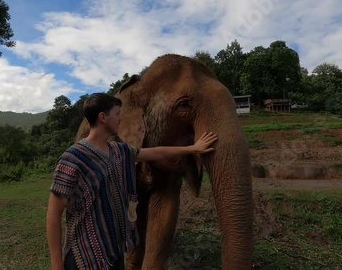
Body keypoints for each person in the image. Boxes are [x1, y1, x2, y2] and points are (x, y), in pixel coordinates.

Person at [46, 93, 217, 270]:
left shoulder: (119, 150)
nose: (121, 118)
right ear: (103, 117)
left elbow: (155, 152)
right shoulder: (71, 159)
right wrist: (57, 264)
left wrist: (193, 148)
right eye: (117, 113)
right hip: (85, 255)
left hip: (113, 251)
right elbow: (53, 214)